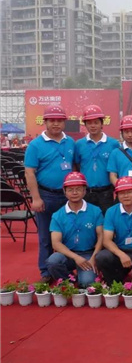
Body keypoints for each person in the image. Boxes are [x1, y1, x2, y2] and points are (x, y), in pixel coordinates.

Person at [24, 105, 75, 283]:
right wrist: (36, 198)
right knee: (46, 236)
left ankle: (66, 268)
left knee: (68, 234)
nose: (56, 124)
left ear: (64, 123)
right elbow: (29, 172)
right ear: (45, 122)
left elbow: (75, 166)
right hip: (46, 196)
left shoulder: (70, 142)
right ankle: (45, 272)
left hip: (68, 196)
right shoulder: (35, 145)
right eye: (52, 120)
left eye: (59, 120)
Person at [46, 172, 104, 287]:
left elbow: (101, 236)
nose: (74, 193)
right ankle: (68, 280)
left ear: (84, 191)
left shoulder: (95, 211)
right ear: (64, 192)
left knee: (87, 283)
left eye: (78, 189)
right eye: (70, 190)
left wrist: (94, 257)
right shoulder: (57, 215)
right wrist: (76, 257)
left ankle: (84, 277)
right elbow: (56, 243)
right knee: (53, 261)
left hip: (88, 253)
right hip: (68, 254)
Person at [95, 177, 132, 284]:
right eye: (122, 193)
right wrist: (121, 254)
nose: (126, 196)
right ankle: (115, 279)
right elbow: (107, 240)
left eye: (129, 192)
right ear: (117, 195)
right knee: (102, 257)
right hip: (120, 250)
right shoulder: (111, 211)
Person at [74, 105, 120, 214]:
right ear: (85, 125)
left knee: (106, 221)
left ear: (102, 124)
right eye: (89, 123)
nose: (93, 126)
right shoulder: (79, 144)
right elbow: (77, 165)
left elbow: (117, 168)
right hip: (86, 192)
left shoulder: (113, 144)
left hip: (106, 192)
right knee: (87, 221)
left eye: (96, 122)